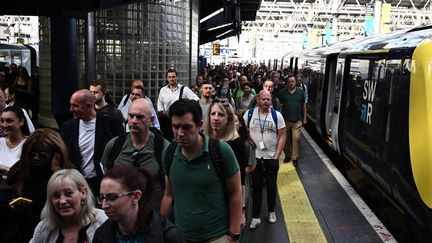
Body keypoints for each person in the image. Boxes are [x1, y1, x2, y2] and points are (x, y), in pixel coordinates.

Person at [160, 99, 242, 243]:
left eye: (186, 127)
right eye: (175, 127)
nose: (180, 133)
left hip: (217, 237)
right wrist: (160, 230)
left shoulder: (220, 151)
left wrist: (233, 234)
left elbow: (235, 192)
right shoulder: (168, 153)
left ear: (199, 125)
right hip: (180, 237)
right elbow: (168, 195)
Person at [0, 128, 75, 242]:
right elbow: (4, 193)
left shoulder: (69, 174)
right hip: (18, 230)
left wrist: (57, 173)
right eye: (32, 154)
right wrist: (11, 203)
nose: (36, 158)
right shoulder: (19, 170)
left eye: (42, 155)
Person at [101, 98, 169, 211]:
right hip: (121, 215)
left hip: (152, 216)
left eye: (140, 117)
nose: (133, 121)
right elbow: (106, 182)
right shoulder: (114, 145)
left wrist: (161, 222)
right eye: (131, 116)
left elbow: (169, 193)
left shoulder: (163, 148)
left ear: (151, 120)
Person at [94, 165, 183, 243]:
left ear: (136, 196)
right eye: (102, 198)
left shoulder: (168, 236)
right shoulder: (101, 234)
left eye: (112, 197)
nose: (104, 206)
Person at [61, 89, 125, 196]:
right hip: (77, 182)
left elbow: (121, 147)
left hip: (101, 182)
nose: (71, 109)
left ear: (89, 105)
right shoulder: (68, 127)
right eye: (71, 105)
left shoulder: (109, 122)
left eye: (75, 106)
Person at [244, 90, 286, 229]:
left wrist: (276, 156)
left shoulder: (276, 116)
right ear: (258, 100)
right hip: (255, 158)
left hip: (271, 158)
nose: (267, 102)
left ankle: (271, 211)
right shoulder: (250, 114)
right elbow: (243, 131)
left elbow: (282, 136)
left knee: (271, 186)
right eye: (264, 99)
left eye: (269, 99)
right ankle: (255, 217)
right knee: (256, 188)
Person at [30, 169, 108, 243]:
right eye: (56, 196)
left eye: (68, 193)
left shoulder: (104, 223)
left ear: (83, 193)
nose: (62, 201)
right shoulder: (44, 228)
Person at [157, 69, 199, 141]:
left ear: (177, 77)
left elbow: (196, 99)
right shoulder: (163, 90)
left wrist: (186, 108)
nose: (171, 79)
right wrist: (162, 112)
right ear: (167, 78)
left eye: (173, 77)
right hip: (166, 121)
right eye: (169, 77)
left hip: (179, 119)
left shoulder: (184, 89)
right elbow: (160, 103)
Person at [277, 74, 307, 166]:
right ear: (287, 83)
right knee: (285, 140)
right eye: (289, 81)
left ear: (295, 82)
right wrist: (279, 118)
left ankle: (295, 157)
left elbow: (304, 106)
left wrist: (305, 118)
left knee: (296, 139)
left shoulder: (301, 92)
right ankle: (288, 155)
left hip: (297, 120)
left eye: (293, 81)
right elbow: (279, 106)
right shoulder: (282, 92)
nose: (291, 83)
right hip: (285, 120)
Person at [0, 106, 30, 175]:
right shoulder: (0, 142)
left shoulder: (28, 144)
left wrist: (5, 170)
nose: (4, 125)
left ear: (21, 122)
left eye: (9, 121)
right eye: (2, 121)